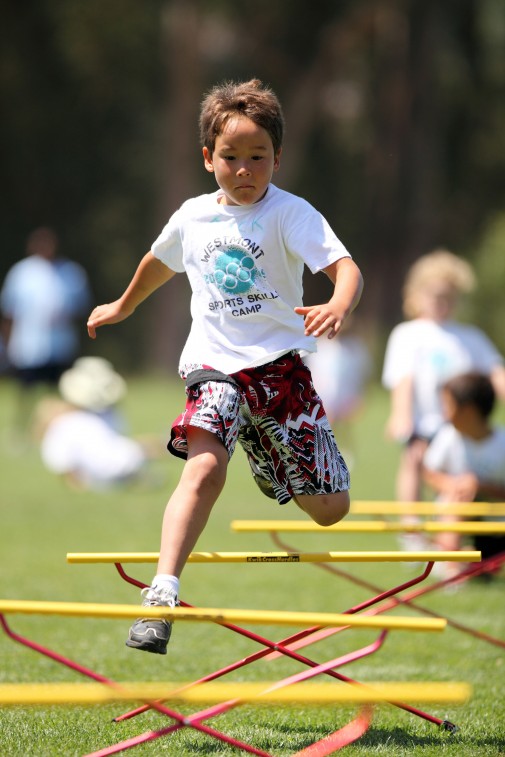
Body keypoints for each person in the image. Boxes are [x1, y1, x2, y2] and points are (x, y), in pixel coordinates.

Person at [87, 78, 364, 655]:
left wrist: (337, 303)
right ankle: (161, 595)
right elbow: (157, 263)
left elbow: (344, 267)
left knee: (330, 511)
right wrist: (121, 305)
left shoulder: (291, 213)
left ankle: (267, 450)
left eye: (257, 158)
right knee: (204, 469)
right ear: (208, 158)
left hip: (281, 371)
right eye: (231, 158)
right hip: (213, 366)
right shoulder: (192, 218)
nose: (244, 170)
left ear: (277, 159)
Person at [382, 250, 505, 549]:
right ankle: (412, 530)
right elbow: (404, 378)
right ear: (417, 294)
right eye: (434, 294)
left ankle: (456, 542)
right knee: (413, 460)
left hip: (462, 427)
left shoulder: (470, 336)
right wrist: (401, 415)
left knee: (463, 481)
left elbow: (495, 371)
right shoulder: (408, 334)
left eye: (447, 295)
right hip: (426, 425)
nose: (440, 301)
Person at [0, 227, 92, 443]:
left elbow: (81, 308)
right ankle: (22, 431)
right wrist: (8, 342)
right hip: (29, 344)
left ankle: (60, 432)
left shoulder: (70, 272)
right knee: (26, 393)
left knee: (62, 392)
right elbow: (10, 312)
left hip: (60, 344)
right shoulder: (21, 273)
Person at [423, 372, 505, 578]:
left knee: (487, 570)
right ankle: (451, 566)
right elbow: (430, 472)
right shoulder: (448, 437)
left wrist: (480, 486)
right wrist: (453, 485)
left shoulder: (501, 443)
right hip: (456, 511)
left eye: (447, 406)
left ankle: (460, 563)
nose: (443, 414)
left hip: (496, 523)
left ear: (468, 411)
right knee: (458, 499)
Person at [33, 357, 156, 491]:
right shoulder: (68, 423)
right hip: (112, 468)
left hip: (106, 469)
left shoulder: (69, 421)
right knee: (145, 448)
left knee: (145, 447)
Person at [305, 316, 371, 468]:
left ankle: (344, 452)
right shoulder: (320, 346)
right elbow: (313, 373)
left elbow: (362, 373)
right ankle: (324, 454)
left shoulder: (355, 347)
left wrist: (359, 396)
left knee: (344, 426)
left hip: (346, 394)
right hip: (324, 396)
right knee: (327, 426)